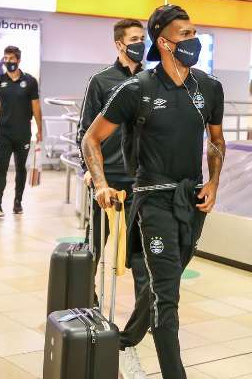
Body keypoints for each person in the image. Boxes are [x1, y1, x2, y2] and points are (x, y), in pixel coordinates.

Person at [82, 5, 226, 379]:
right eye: (185, 35)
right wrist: (100, 182)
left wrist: (213, 182)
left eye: (195, 34)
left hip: (191, 201)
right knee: (167, 294)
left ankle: (128, 336)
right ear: (163, 42)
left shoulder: (210, 88)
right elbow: (91, 139)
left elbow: (215, 140)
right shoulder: (137, 89)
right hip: (153, 200)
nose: (193, 41)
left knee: (170, 279)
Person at [76, 18, 145, 305]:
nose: (141, 45)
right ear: (119, 44)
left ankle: (147, 307)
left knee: (142, 246)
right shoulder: (101, 81)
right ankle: (85, 296)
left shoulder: (149, 81)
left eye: (143, 39)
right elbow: (86, 133)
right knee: (97, 241)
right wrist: (90, 171)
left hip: (141, 177)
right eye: (134, 40)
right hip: (108, 176)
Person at [0, 46, 42, 217]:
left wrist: (39, 129)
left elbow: (36, 106)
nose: (8, 61)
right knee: (1, 168)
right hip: (3, 133)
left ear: (18, 60)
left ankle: (18, 202)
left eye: (11, 58)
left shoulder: (30, 81)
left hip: (23, 133)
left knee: (20, 168)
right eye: (6, 58)